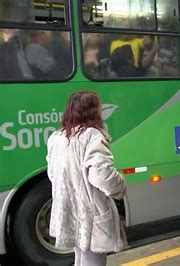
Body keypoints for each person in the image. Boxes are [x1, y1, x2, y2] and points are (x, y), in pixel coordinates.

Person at [46, 91, 126, 266]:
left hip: (69, 210)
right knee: (93, 259)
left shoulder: (56, 138)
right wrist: (120, 185)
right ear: (93, 111)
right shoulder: (92, 136)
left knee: (80, 257)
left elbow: (52, 173)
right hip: (90, 213)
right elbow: (101, 175)